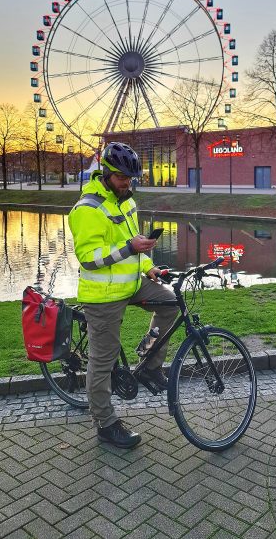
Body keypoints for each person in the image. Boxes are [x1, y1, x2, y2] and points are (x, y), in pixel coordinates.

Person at [68, 142, 178, 449]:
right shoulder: (87, 209)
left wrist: (148, 266)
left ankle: (150, 364)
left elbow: (135, 243)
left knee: (170, 303)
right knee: (102, 361)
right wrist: (129, 248)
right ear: (105, 173)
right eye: (121, 177)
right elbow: (89, 257)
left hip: (131, 283)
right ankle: (105, 423)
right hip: (103, 294)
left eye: (130, 178)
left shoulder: (127, 201)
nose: (127, 183)